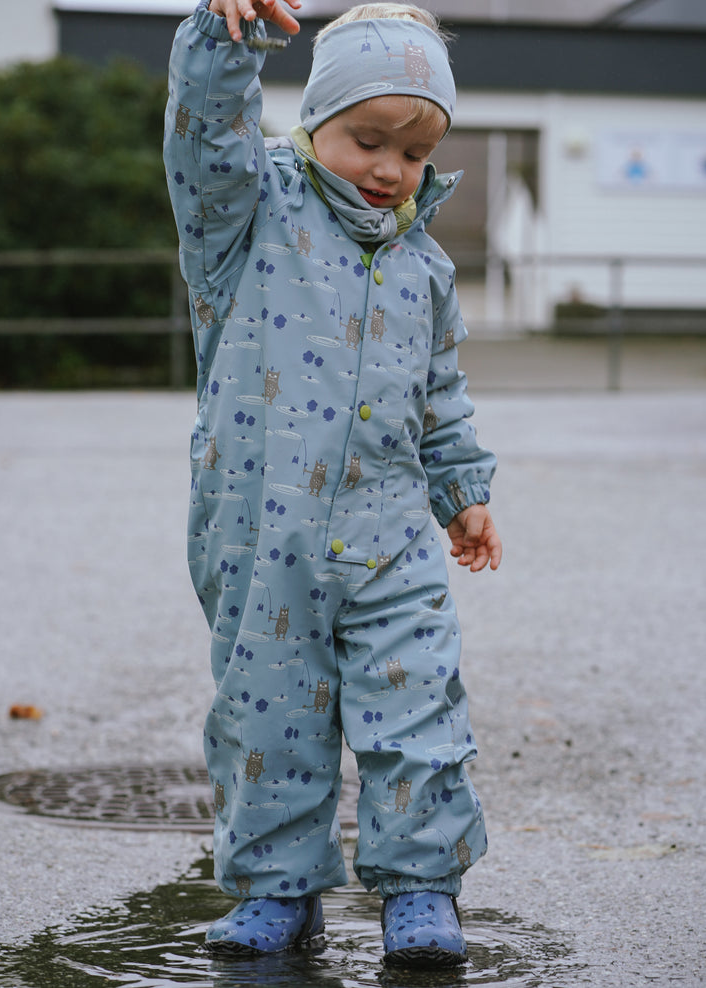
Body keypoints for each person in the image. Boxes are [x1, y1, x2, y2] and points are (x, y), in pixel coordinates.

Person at [163, 0, 502, 967]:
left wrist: (463, 489)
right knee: (269, 714)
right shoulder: (246, 217)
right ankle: (277, 889)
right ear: (313, 120)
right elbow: (202, 140)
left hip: (390, 531)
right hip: (260, 532)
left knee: (419, 709)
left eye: (415, 151)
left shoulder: (424, 264)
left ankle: (423, 889)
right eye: (367, 138)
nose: (391, 169)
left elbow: (440, 393)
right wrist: (224, 39)